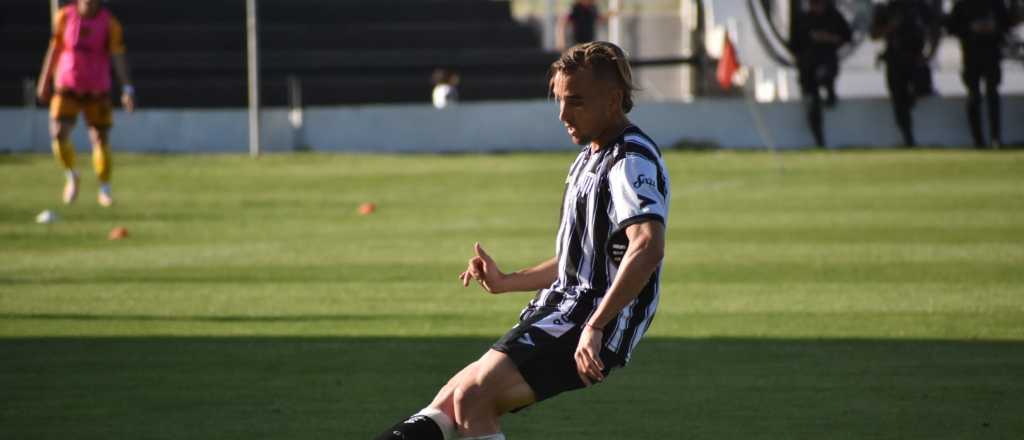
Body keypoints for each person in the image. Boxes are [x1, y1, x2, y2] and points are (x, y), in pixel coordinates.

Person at [373, 41, 670, 440]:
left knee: (472, 399)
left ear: (614, 100)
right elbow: (578, 261)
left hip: (592, 319)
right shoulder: (589, 156)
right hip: (563, 309)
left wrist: (595, 326)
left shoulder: (629, 161)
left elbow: (648, 246)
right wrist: (504, 281)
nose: (563, 114)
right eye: (559, 101)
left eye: (576, 101)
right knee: (449, 401)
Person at [36, 0, 135, 207]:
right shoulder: (65, 16)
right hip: (67, 87)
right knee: (58, 132)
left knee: (99, 138)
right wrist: (44, 80)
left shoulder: (110, 23)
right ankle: (72, 174)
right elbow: (55, 48)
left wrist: (127, 89)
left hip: (97, 90)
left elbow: (118, 55)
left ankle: (104, 189)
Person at [870, 0, 940, 147]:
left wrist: (930, 54)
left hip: (916, 58)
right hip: (895, 59)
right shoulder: (886, 8)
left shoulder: (920, 6)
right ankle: (908, 139)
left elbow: (935, 29)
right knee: (898, 99)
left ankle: (910, 100)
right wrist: (891, 27)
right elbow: (874, 34)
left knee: (922, 89)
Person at [946, 0, 1012, 148]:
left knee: (992, 95)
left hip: (992, 55)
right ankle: (978, 140)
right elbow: (951, 27)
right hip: (971, 56)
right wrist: (971, 28)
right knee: (974, 97)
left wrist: (994, 28)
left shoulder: (995, 3)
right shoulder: (963, 4)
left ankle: (995, 137)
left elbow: (1007, 23)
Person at [791, 0, 852, 147]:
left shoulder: (834, 17)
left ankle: (830, 94)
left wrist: (828, 38)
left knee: (826, 76)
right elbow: (794, 44)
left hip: (827, 62)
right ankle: (819, 140)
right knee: (812, 104)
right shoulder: (803, 19)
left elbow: (847, 36)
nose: (816, 6)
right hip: (808, 68)